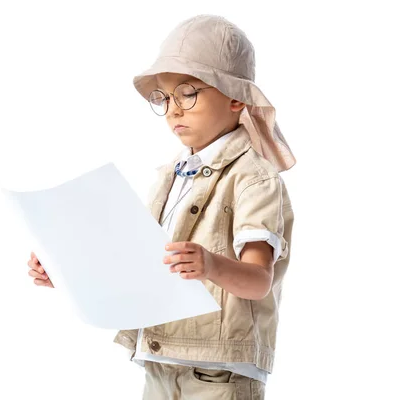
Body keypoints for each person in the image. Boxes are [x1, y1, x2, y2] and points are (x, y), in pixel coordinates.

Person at [27, 14, 296, 399]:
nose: (173, 109)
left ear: (236, 96)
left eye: (188, 93)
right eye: (164, 98)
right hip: (161, 362)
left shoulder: (253, 178)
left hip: (219, 377)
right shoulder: (172, 176)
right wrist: (67, 274)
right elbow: (144, 270)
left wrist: (211, 264)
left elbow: (258, 280)